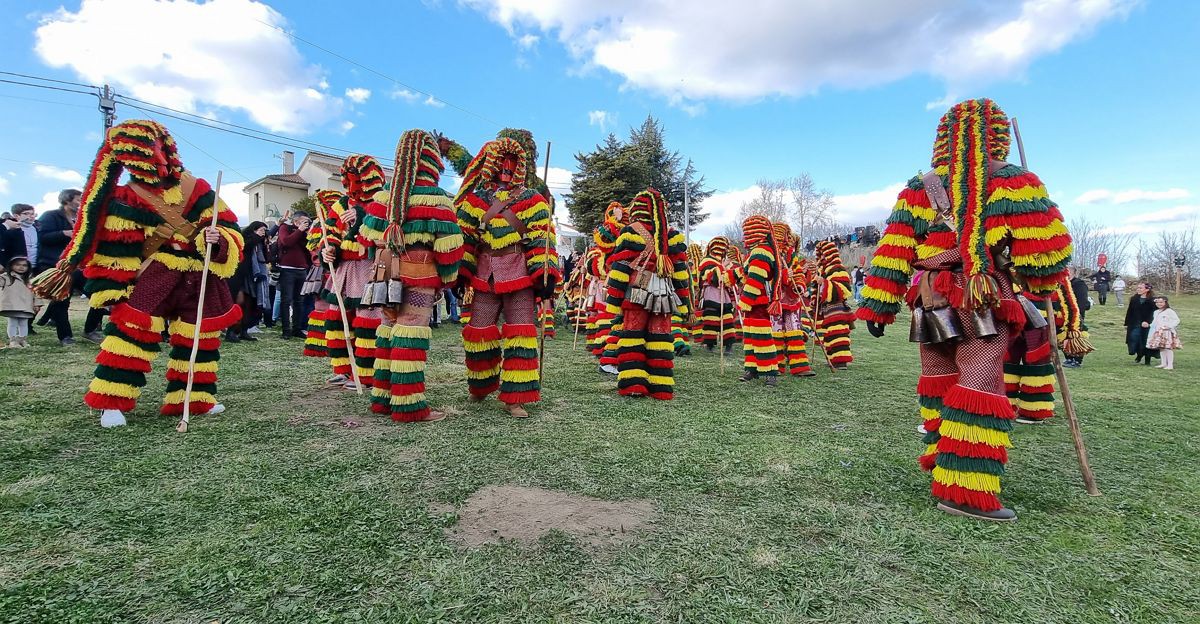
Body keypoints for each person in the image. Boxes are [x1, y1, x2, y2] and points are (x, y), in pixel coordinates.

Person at [856, 98, 1073, 522]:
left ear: (942, 138)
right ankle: (964, 490)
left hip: (930, 299)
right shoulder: (1014, 181)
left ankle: (945, 464)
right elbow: (1043, 257)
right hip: (982, 300)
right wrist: (1041, 283)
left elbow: (893, 249)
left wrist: (878, 308)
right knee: (979, 386)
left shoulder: (919, 186)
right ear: (998, 135)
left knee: (940, 381)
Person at [31, 120, 243, 427]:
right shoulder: (123, 197)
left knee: (200, 339)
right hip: (152, 274)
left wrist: (217, 239)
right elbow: (118, 247)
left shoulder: (198, 189)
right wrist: (113, 287)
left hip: (197, 274)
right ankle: (113, 403)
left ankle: (195, 399)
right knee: (130, 334)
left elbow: (229, 227)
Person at [359, 129, 464, 422]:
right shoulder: (436, 199)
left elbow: (367, 241)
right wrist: (447, 280)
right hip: (419, 273)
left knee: (388, 331)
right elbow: (449, 249)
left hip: (383, 274)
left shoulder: (381, 198)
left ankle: (382, 397)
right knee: (410, 333)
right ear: (431, 160)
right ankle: (408, 405)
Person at [452, 136, 560, 418]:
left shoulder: (534, 201)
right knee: (479, 332)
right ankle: (481, 384)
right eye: (502, 163)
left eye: (512, 164)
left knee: (521, 333)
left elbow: (542, 239)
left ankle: (516, 397)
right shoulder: (475, 200)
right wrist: (460, 274)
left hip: (520, 273)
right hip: (485, 274)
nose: (507, 169)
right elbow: (465, 236)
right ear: (492, 165)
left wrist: (545, 275)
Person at [603, 188, 691, 399]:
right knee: (660, 334)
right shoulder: (673, 236)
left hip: (638, 287)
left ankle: (633, 384)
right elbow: (680, 271)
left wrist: (614, 300)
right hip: (665, 290)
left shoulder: (630, 231)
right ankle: (661, 386)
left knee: (632, 333)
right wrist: (685, 302)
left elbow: (621, 266)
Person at [320, 155, 387, 391]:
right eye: (348, 179)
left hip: (368, 268)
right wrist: (327, 251)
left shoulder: (381, 203)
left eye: (357, 179)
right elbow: (330, 232)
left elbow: (382, 235)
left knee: (367, 321)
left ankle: (366, 374)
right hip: (341, 271)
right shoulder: (339, 204)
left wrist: (360, 218)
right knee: (336, 319)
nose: (352, 185)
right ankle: (342, 368)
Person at [738, 215, 783, 386]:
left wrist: (745, 301)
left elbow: (756, 279)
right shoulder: (757, 251)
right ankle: (752, 368)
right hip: (754, 303)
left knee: (762, 338)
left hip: (758, 302)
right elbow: (746, 273)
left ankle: (770, 371)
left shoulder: (761, 251)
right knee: (750, 337)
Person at [35, 189, 81, 345]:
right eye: (78, 199)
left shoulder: (81, 218)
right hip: (53, 265)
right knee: (62, 300)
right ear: (67, 200)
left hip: (75, 265)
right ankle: (65, 336)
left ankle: (91, 329)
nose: (81, 202)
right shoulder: (50, 215)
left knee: (96, 292)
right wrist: (64, 233)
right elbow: (42, 237)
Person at [813, 239, 854, 369]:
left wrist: (823, 282)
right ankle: (833, 359)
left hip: (837, 309)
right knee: (829, 333)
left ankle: (841, 361)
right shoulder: (823, 269)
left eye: (823, 253)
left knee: (838, 333)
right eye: (820, 254)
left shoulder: (838, 268)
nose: (822, 257)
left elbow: (844, 289)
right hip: (827, 310)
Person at [226, 221, 270, 342]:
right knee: (238, 302)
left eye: (264, 231)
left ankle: (244, 330)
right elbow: (247, 245)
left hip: (253, 277)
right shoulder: (244, 239)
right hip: (239, 276)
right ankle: (231, 331)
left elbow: (266, 258)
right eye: (261, 230)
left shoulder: (260, 243)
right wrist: (257, 235)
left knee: (249, 304)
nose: (263, 233)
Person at [275, 210, 312, 339]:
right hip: (287, 270)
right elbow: (286, 241)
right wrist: (299, 230)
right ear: (295, 221)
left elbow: (309, 246)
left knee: (299, 301)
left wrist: (306, 232)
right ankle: (286, 330)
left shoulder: (304, 233)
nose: (305, 224)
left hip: (302, 270)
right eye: (303, 221)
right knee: (286, 300)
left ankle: (297, 329)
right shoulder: (285, 228)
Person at [698, 236, 738, 354]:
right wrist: (722, 267)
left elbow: (729, 279)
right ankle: (710, 344)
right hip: (711, 292)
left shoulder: (724, 262)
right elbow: (711, 278)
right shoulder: (707, 261)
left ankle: (728, 345)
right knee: (711, 318)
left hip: (724, 294)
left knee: (727, 319)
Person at [1, 256, 40, 348]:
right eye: (17, 265)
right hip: (12, 306)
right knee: (13, 322)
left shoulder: (31, 280)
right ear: (11, 266)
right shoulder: (6, 277)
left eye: (24, 265)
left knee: (24, 323)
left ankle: (22, 340)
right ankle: (13, 340)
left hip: (26, 306)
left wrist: (37, 303)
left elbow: (37, 293)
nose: (21, 267)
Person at [1125, 283, 1158, 365]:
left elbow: (1154, 313)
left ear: (1147, 290)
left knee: (1146, 341)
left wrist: (1148, 321)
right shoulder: (1134, 299)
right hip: (1135, 323)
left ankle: (1147, 360)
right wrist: (1127, 323)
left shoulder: (1152, 301)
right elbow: (1130, 311)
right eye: (1138, 288)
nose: (1138, 289)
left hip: (1147, 325)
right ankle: (1139, 354)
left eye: (1140, 288)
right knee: (1134, 339)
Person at [1147, 296, 1181, 370]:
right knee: (1161, 347)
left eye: (1161, 302)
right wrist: (1149, 325)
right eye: (1157, 302)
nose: (1159, 304)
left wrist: (1168, 326)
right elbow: (1154, 322)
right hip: (1159, 332)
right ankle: (1163, 363)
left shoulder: (1169, 311)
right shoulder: (1156, 312)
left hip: (1167, 332)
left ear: (1165, 302)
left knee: (1168, 348)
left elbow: (1176, 320)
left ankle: (1170, 364)